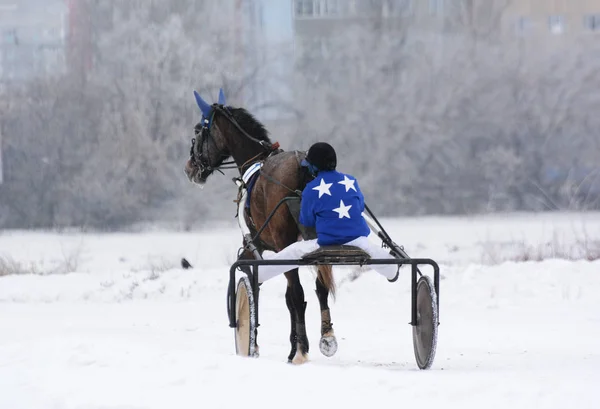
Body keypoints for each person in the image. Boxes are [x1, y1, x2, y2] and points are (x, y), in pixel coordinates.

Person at [258, 142, 399, 283]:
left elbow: (306, 221)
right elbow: (360, 208)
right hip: (358, 240)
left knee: (294, 250)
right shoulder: (351, 181)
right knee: (372, 250)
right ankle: (392, 271)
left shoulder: (311, 189)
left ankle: (260, 274)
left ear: (314, 167)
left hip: (325, 243)